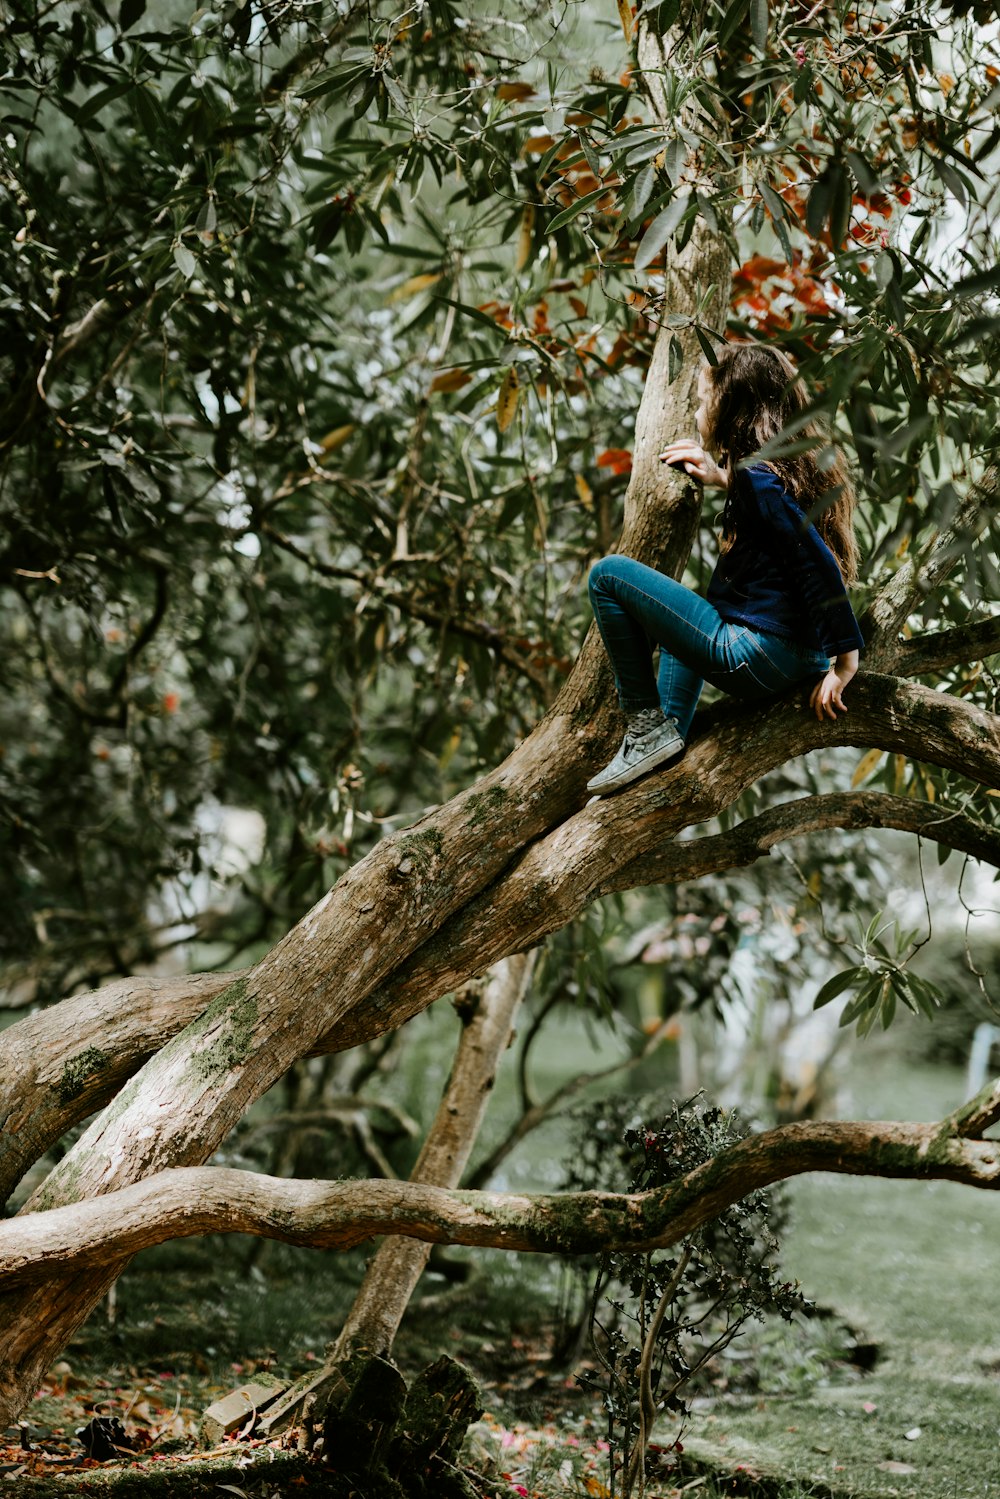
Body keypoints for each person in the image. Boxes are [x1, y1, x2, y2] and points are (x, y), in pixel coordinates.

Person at [586, 343, 863, 795]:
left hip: (755, 655)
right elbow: (782, 521)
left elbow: (816, 563)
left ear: (730, 405)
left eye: (701, 401)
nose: (696, 413)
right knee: (686, 621)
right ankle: (664, 736)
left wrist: (846, 661)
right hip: (792, 659)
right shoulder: (777, 475)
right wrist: (721, 477)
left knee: (608, 575)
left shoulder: (758, 479)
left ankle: (644, 723)